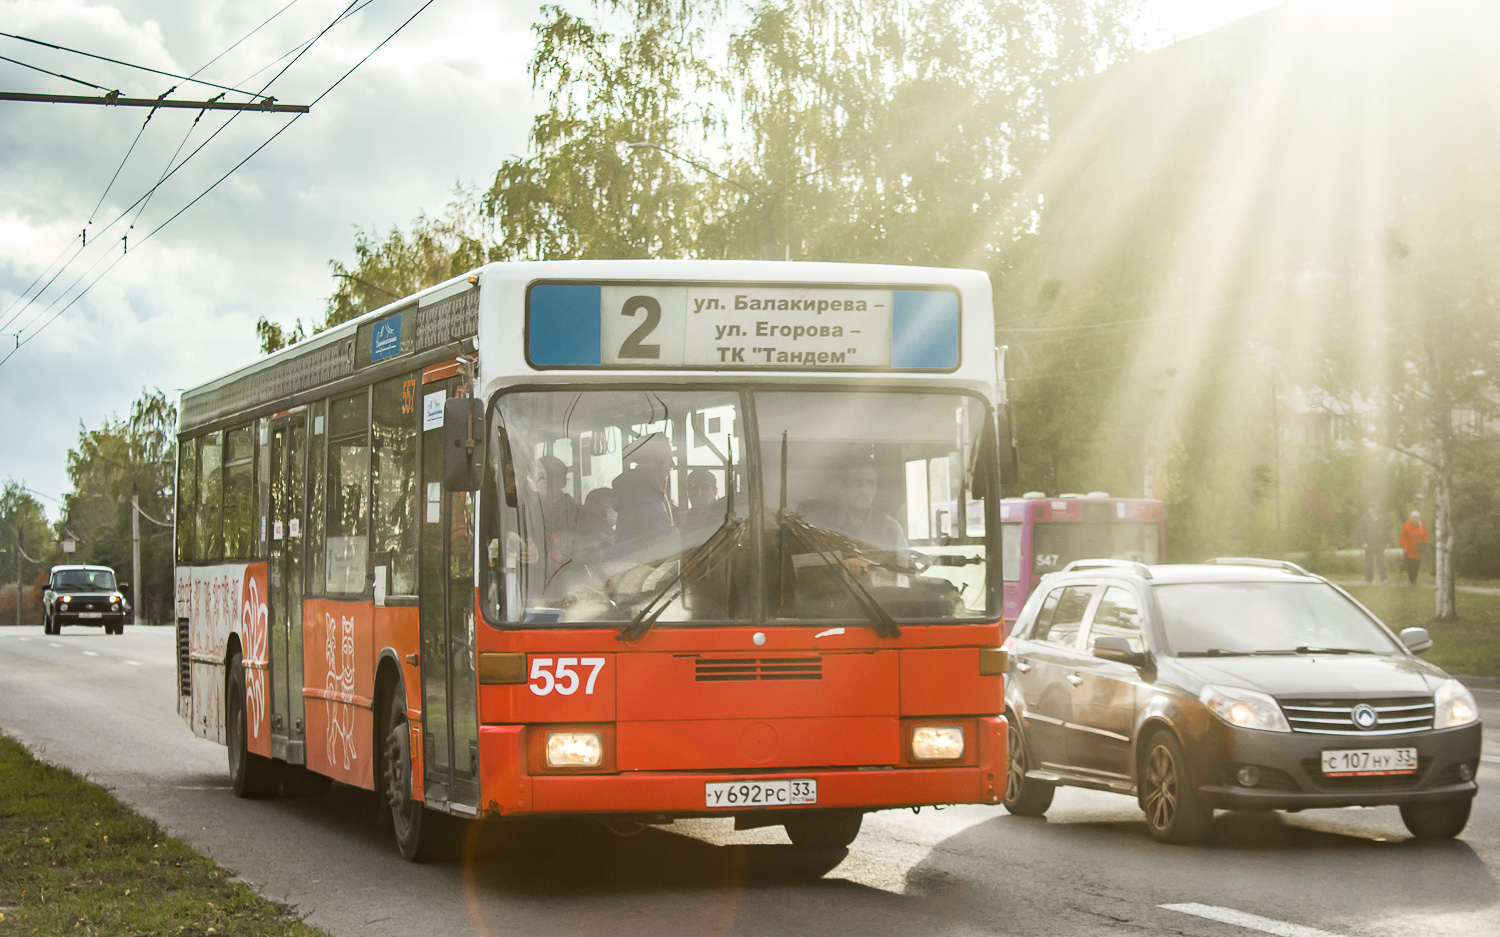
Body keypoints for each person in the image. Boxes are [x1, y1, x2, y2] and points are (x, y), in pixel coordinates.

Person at [805, 457, 908, 553]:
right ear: (842, 486)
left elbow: (906, 568)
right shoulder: (819, 524)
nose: (864, 490)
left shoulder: (890, 528)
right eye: (857, 483)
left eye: (870, 483)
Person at [611, 432, 679, 558]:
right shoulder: (642, 493)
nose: (673, 464)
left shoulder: (635, 488)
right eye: (668, 457)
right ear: (654, 461)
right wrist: (698, 537)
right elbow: (665, 539)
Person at [1356, 502, 1388, 585]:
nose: (1374, 510)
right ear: (1369, 509)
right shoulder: (1364, 519)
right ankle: (1369, 579)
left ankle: (1383, 579)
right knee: (1369, 563)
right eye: (1372, 508)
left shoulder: (1381, 518)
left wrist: (1387, 541)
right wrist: (1363, 542)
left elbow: (1385, 531)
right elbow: (1361, 532)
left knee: (1381, 562)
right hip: (1369, 545)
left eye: (1375, 508)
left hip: (1379, 544)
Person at [1400, 510, 1430, 586]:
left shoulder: (1422, 526)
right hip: (1409, 551)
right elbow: (1402, 537)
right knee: (1411, 566)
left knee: (1417, 566)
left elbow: (1425, 536)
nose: (1415, 519)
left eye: (1417, 518)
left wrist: (1425, 543)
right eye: (1413, 517)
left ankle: (1414, 580)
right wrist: (1404, 547)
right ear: (1410, 518)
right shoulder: (1406, 526)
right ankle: (1412, 580)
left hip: (1419, 550)